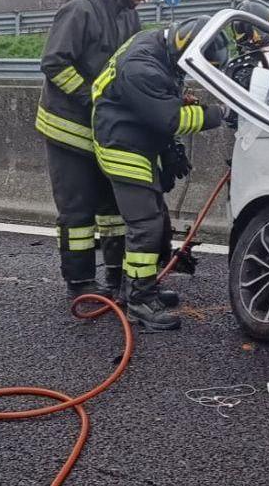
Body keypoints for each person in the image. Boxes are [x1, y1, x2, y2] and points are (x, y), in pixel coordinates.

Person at [36, 0, 164, 300]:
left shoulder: (128, 15)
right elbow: (54, 64)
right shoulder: (81, 10)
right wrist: (94, 98)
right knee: (77, 212)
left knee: (113, 211)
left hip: (105, 131)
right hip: (68, 130)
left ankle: (115, 278)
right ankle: (80, 285)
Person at [91, 17, 230, 330]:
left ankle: (139, 287)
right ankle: (139, 301)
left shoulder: (157, 46)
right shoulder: (142, 68)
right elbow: (171, 120)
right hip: (122, 144)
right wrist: (219, 113)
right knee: (146, 225)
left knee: (157, 221)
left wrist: (176, 100)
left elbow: (159, 98)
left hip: (134, 135)